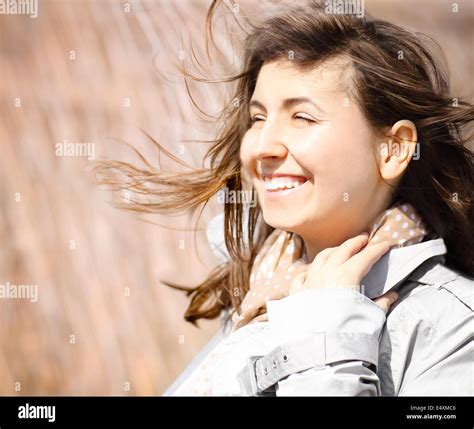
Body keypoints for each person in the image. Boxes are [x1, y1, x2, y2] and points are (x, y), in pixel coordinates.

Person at [95, 1, 473, 396]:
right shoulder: (263, 288)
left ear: (394, 149)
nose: (262, 146)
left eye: (302, 117)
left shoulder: (455, 329)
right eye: (258, 118)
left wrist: (328, 340)